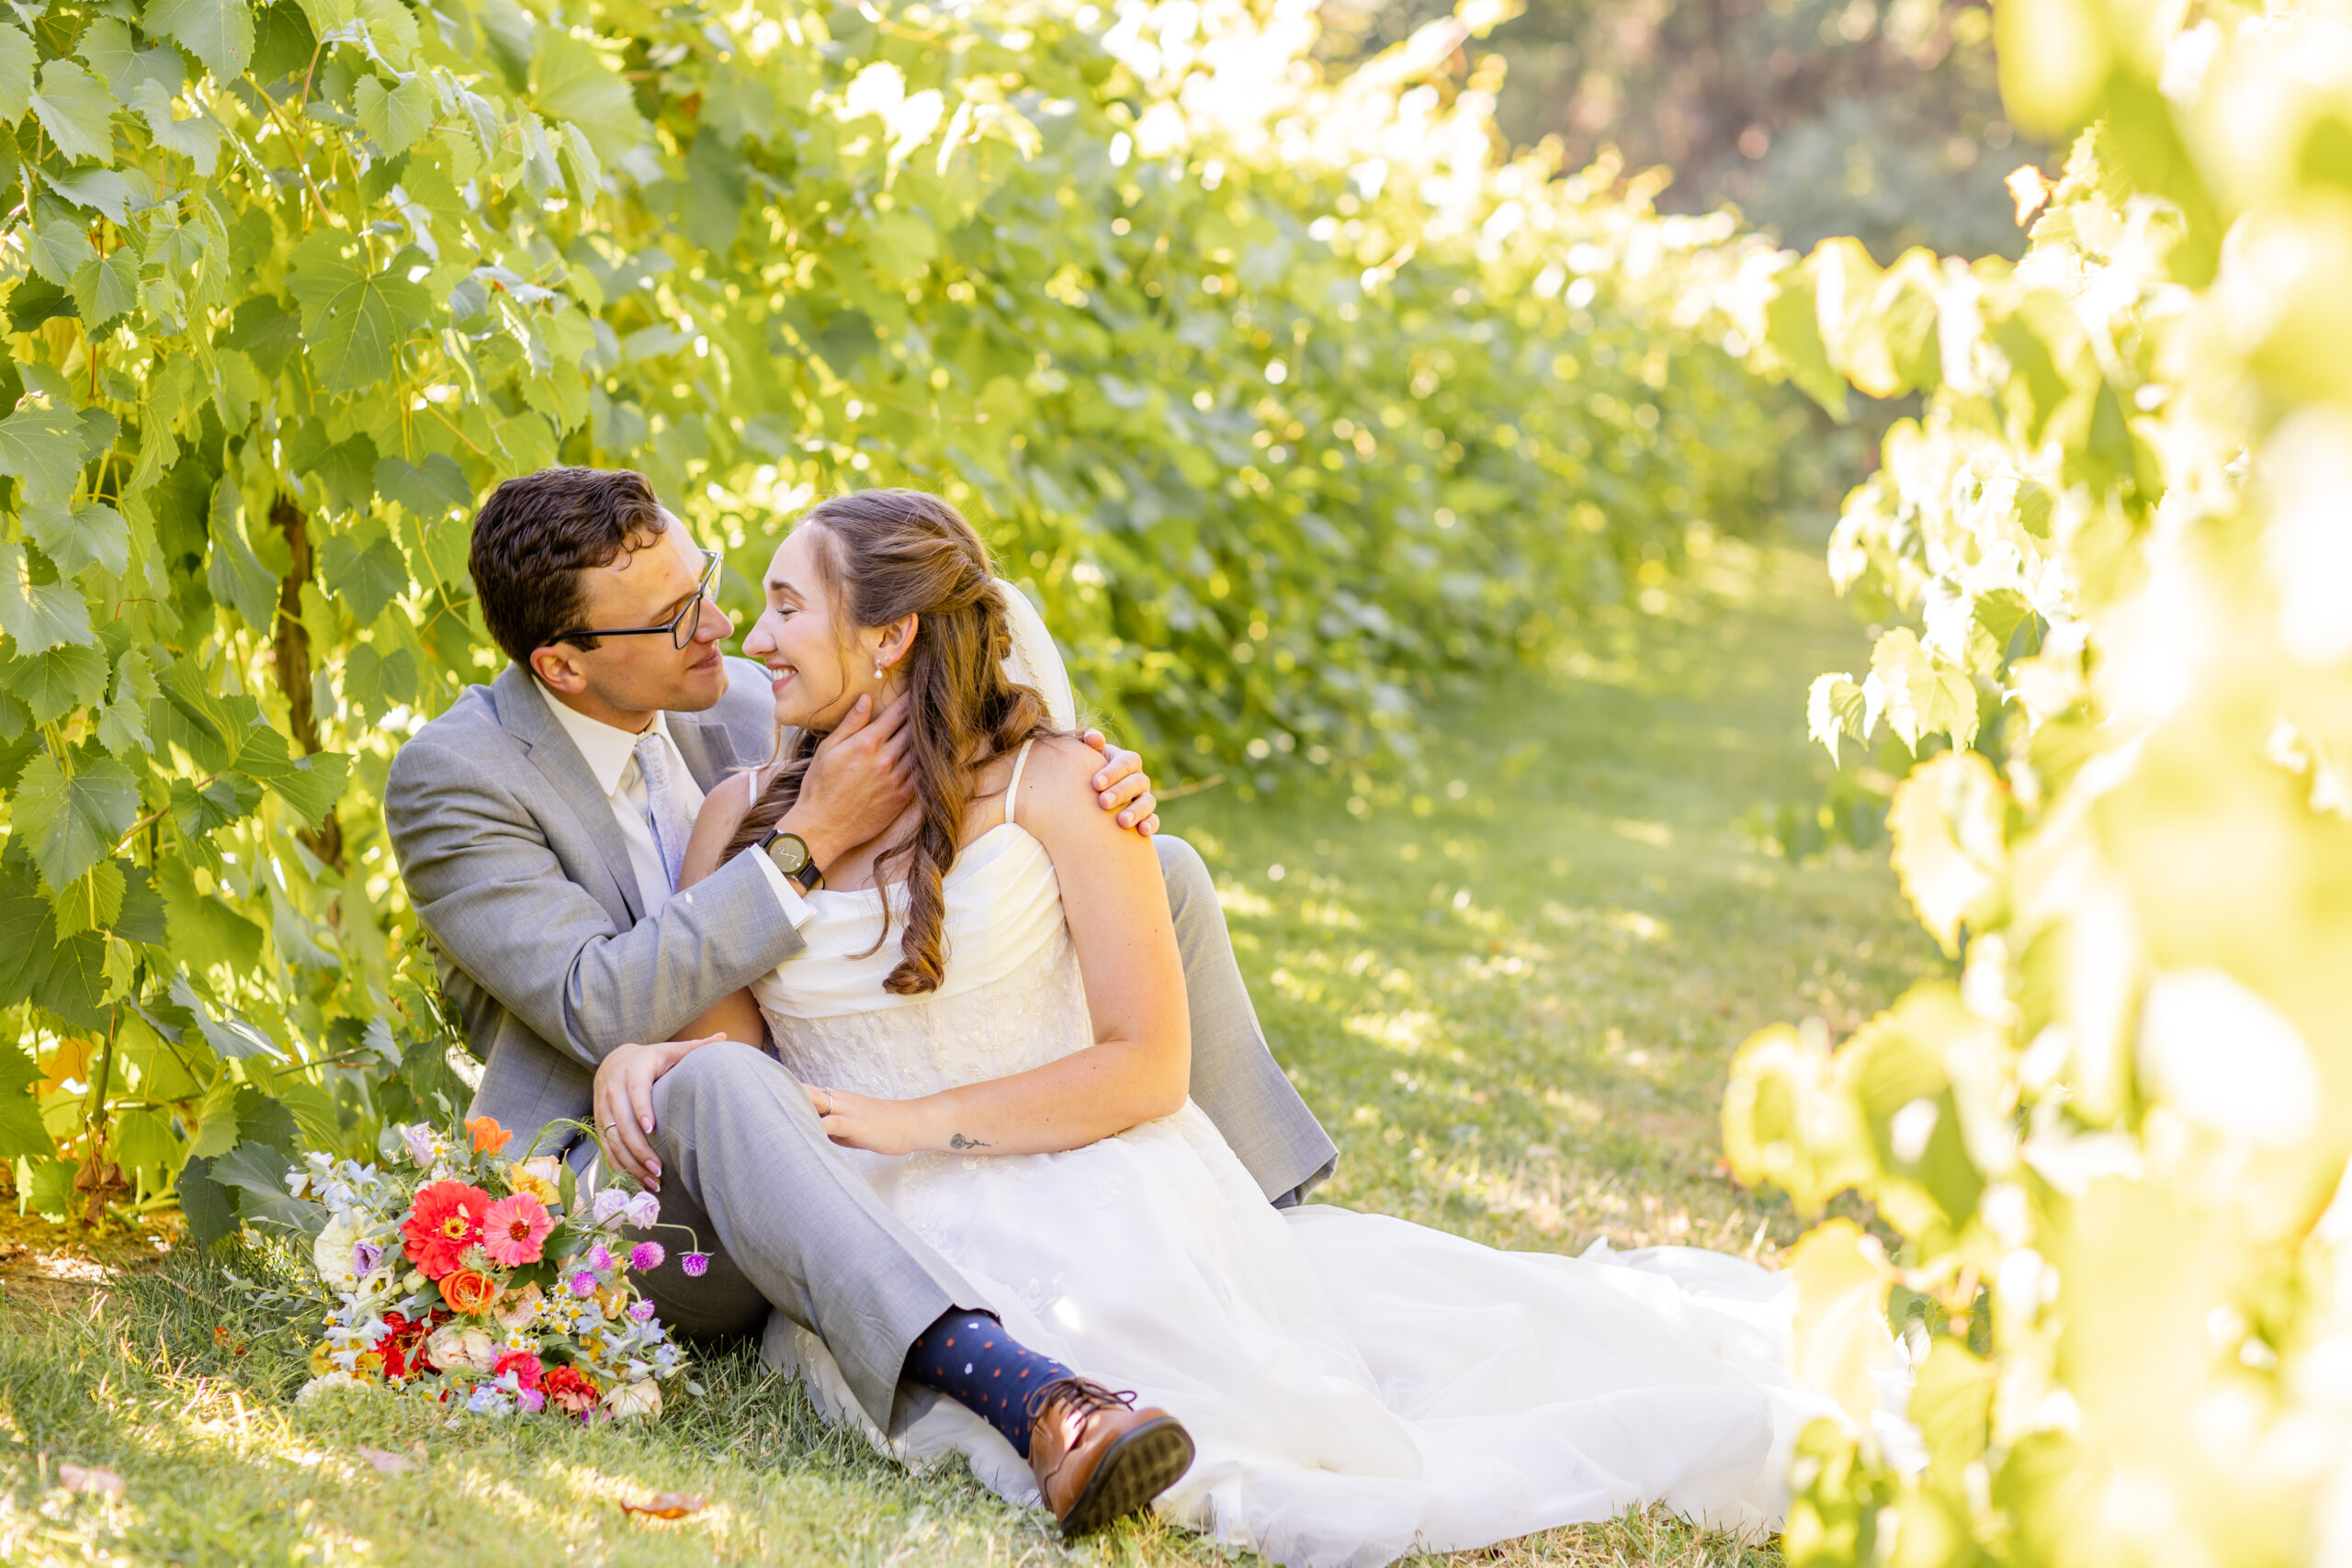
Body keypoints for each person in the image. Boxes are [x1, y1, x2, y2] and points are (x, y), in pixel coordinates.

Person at [628, 489, 1898, 1568]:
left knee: (1268, 1409)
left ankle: (1082, 1406)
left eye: (787, 605)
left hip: (1075, 1182)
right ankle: (1032, 1394)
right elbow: (737, 1083)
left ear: (891, 634)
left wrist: (912, 1124)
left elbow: (1146, 1066)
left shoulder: (1060, 786)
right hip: (856, 1222)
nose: (757, 637)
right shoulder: (736, 820)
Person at [383, 467, 1338, 1535]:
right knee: (720, 1079)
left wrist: (1097, 786)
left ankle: (1266, 1221)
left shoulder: (743, 693)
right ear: (564, 664)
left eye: (709, 586)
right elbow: (593, 1001)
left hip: (779, 1103)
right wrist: (803, 847)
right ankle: (1025, 1394)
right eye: (678, 617)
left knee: (1162, 869)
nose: (728, 630)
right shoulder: (456, 778)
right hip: (637, 1173)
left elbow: (955, 753)